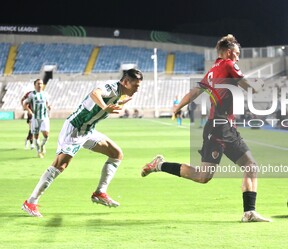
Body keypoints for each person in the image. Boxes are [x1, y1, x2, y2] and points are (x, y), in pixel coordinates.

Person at [142, 35, 271, 222]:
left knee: (240, 168)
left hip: (223, 126)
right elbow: (247, 86)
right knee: (205, 176)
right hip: (219, 127)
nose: (238, 58)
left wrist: (177, 107)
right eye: (236, 54)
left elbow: (195, 92)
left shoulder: (212, 71)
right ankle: (159, 165)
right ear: (228, 53)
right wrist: (259, 89)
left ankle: (249, 212)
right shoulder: (228, 64)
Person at [22, 69, 143, 217]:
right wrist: (105, 107)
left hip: (88, 131)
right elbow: (95, 93)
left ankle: (100, 193)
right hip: (75, 129)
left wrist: (117, 102)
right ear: (125, 82)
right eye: (135, 86)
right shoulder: (111, 87)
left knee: (116, 154)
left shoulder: (118, 94)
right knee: (60, 165)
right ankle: (30, 202)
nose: (137, 89)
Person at [23, 79, 51, 158]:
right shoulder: (31, 95)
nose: (40, 85)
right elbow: (25, 104)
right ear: (35, 85)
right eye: (38, 83)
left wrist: (49, 106)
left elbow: (47, 103)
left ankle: (42, 146)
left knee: (46, 135)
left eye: (41, 84)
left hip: (44, 118)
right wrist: (29, 111)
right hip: (35, 118)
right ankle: (39, 151)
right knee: (36, 136)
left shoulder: (45, 94)